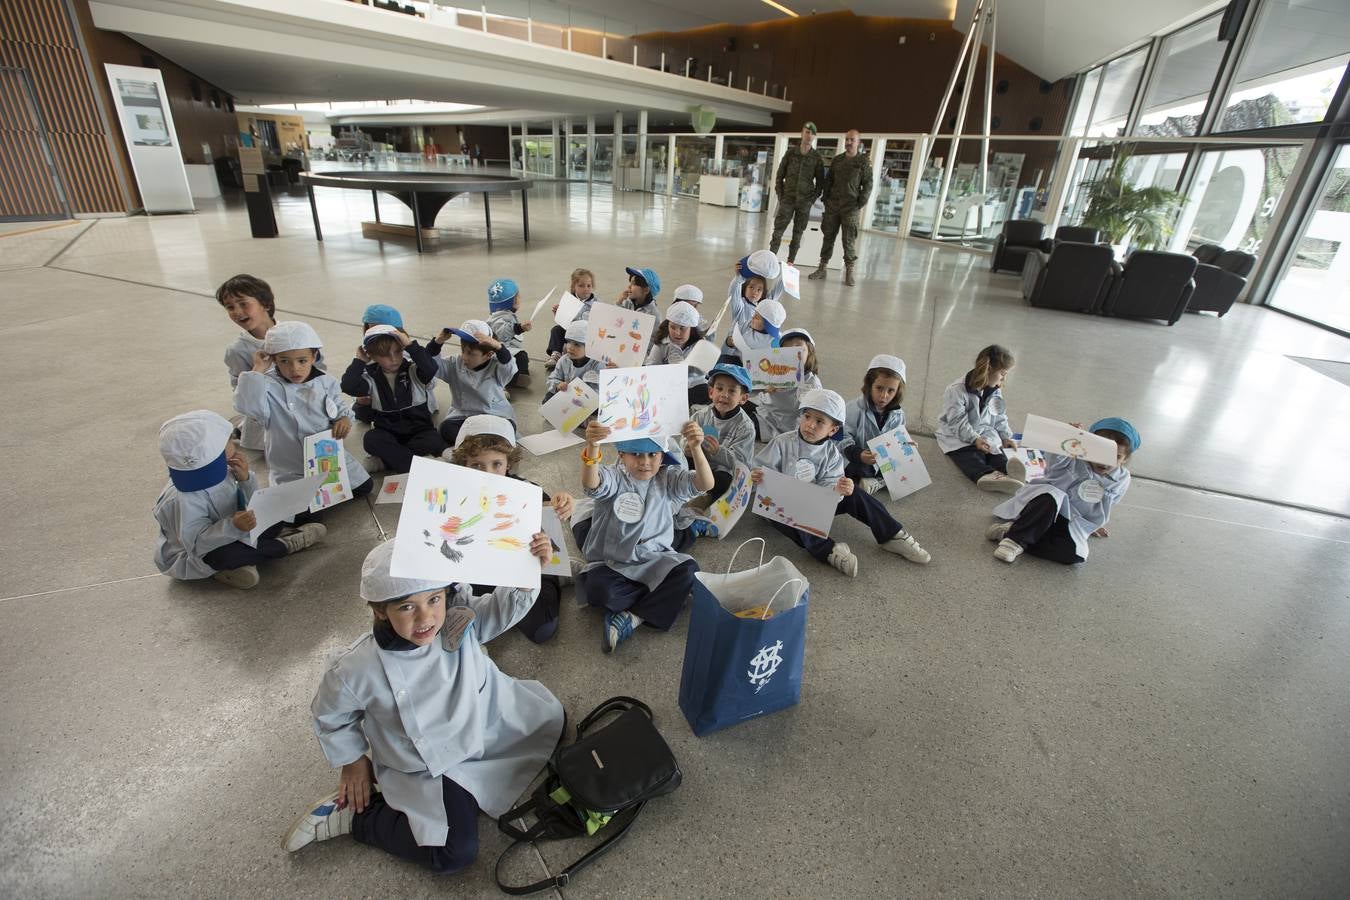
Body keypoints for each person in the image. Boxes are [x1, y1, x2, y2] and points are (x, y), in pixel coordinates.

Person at [283, 539, 564, 872]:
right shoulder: (355, 668)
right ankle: (361, 819)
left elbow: (502, 610)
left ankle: (469, 793)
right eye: (406, 607)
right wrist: (353, 761)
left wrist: (527, 568)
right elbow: (330, 715)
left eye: (434, 598)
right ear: (379, 610)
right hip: (431, 764)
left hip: (486, 726)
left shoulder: (457, 618)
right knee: (454, 852)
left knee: (554, 724)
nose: (426, 617)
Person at [752, 389, 930, 577]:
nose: (810, 425)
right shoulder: (782, 443)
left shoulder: (832, 454)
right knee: (794, 516)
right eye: (807, 416)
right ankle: (829, 551)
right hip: (781, 504)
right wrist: (757, 476)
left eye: (820, 421)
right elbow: (760, 469)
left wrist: (839, 489)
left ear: (833, 429)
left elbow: (831, 485)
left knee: (856, 493)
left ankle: (892, 534)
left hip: (816, 502)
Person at [576, 419, 713, 653]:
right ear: (621, 455)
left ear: (662, 457)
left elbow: (705, 483)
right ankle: (664, 596)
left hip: (654, 559)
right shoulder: (615, 476)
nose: (645, 462)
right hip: (614, 562)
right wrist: (593, 446)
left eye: (653, 455)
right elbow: (592, 484)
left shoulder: (667, 477)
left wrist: (696, 447)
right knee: (599, 591)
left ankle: (633, 617)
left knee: (689, 570)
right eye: (636, 454)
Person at [153, 410, 326, 590]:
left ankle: (242, 563)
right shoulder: (180, 500)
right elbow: (196, 545)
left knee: (291, 512)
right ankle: (284, 544)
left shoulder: (220, 468)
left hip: (236, 529)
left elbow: (251, 504)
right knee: (226, 557)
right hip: (201, 552)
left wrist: (246, 481)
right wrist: (233, 527)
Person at [449, 416, 573, 643]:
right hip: (479, 568)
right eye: (477, 465)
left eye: (496, 464)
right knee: (458, 619)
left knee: (542, 629)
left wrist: (562, 503)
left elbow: (551, 512)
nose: (488, 473)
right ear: (464, 465)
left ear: (509, 462)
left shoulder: (526, 490)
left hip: (522, 566)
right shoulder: (451, 495)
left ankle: (558, 575)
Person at [234, 321, 372, 496]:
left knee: (364, 487)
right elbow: (246, 406)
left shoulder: (325, 381)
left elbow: (339, 407)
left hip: (326, 458)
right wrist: (257, 370)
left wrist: (344, 419)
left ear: (314, 356)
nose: (294, 369)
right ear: (274, 359)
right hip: (289, 466)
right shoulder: (266, 385)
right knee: (305, 512)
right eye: (284, 361)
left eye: (302, 361)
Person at [987, 418, 1139, 565]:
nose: (1105, 462)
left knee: (1074, 555)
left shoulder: (1122, 479)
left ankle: (1011, 532)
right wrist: (1066, 438)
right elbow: (1054, 463)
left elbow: (1106, 504)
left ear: (1125, 459)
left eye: (1116, 456)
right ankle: (1014, 541)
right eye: (1102, 452)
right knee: (1052, 495)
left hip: (1071, 520)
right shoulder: (1074, 458)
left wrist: (1092, 524)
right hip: (1042, 508)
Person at [342, 324, 445, 475]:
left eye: (398, 351)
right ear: (372, 355)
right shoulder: (371, 377)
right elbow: (348, 386)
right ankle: (419, 467)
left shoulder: (413, 370)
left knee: (433, 440)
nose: (393, 359)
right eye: (385, 355)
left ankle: (386, 462)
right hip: (388, 433)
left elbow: (431, 368)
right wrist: (359, 361)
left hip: (419, 431)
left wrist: (410, 345)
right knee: (371, 439)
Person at [934, 344, 1026, 493]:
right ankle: (985, 475)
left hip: (984, 432)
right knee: (969, 455)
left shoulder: (995, 390)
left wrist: (1005, 436)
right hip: (957, 434)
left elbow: (999, 415)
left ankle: (1010, 470)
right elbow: (957, 422)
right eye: (1002, 373)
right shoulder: (956, 390)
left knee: (995, 451)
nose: (1004, 378)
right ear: (989, 369)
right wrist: (974, 439)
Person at [684, 364, 755, 536]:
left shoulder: (746, 427)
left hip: (723, 471)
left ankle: (706, 498)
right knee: (678, 461)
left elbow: (741, 462)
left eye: (732, 391)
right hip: (700, 464)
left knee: (725, 481)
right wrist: (687, 447)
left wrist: (718, 451)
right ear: (710, 392)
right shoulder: (700, 416)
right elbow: (684, 441)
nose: (724, 395)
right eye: (719, 388)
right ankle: (686, 494)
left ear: (743, 398)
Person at [428, 320, 517, 447]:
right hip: (464, 416)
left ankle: (472, 446)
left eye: (471, 353)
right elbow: (431, 365)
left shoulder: (497, 366)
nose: (464, 356)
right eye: (463, 350)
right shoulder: (455, 364)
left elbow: (509, 367)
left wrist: (499, 347)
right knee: (446, 429)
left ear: (489, 354)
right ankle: (484, 446)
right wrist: (437, 342)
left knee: (508, 428)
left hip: (494, 415)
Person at [217, 274, 278, 451]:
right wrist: (257, 372)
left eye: (243, 304)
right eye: (230, 307)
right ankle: (239, 430)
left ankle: (238, 428)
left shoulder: (295, 333)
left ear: (265, 304)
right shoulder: (237, 350)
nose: (237, 311)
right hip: (267, 413)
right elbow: (242, 395)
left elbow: (319, 369)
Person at [808, 129, 873, 287]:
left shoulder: (863, 162)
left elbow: (868, 185)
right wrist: (826, 198)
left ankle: (849, 271)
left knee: (848, 240)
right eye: (847, 139)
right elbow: (828, 180)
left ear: (858, 142)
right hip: (833, 206)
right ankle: (822, 268)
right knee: (828, 237)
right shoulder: (837, 160)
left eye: (852, 140)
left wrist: (860, 203)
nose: (849, 142)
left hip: (850, 208)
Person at [841, 354, 908, 495]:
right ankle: (876, 481)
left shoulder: (898, 414)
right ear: (869, 385)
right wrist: (859, 454)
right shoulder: (854, 408)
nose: (884, 396)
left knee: (910, 465)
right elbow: (842, 436)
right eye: (879, 388)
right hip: (858, 458)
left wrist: (906, 445)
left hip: (882, 459)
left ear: (897, 392)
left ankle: (876, 482)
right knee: (852, 470)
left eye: (891, 391)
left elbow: (897, 438)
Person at [769, 123, 825, 265]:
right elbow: (779, 176)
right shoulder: (790, 153)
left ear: (814, 136)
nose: (809, 135)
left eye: (812, 133)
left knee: (798, 233)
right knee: (778, 231)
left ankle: (790, 261)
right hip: (787, 199)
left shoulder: (816, 158)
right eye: (806, 132)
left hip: (804, 202)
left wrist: (810, 201)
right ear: (802, 133)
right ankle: (770, 259)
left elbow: (820, 183)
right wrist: (781, 196)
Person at [755, 327, 823, 441]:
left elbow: (809, 416)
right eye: (787, 349)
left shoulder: (811, 384)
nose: (794, 353)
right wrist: (763, 387)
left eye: (799, 348)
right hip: (762, 411)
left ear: (810, 352)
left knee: (735, 420)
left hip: (777, 426)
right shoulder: (776, 370)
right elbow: (752, 388)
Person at [644, 301, 707, 406]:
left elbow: (702, 374)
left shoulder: (699, 344)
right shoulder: (661, 344)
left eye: (682, 329)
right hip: (668, 386)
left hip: (694, 388)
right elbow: (650, 369)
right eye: (673, 327)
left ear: (691, 328)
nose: (677, 333)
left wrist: (686, 368)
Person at [485, 278, 532, 389]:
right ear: (511, 302)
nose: (520, 299)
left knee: (521, 357)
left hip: (508, 347)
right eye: (518, 297)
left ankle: (517, 375)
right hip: (500, 351)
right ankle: (507, 382)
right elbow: (502, 332)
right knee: (521, 357)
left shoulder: (505, 314)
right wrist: (519, 328)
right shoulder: (497, 318)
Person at [545, 268, 597, 370]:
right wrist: (558, 314)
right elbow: (563, 321)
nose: (586, 289)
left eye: (589, 286)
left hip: (585, 334)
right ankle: (556, 354)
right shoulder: (569, 301)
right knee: (556, 330)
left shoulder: (596, 303)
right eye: (581, 286)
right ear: (574, 287)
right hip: (570, 331)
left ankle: (573, 351)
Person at [543, 320, 602, 402]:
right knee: (548, 397)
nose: (570, 347)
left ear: (589, 347)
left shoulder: (596, 365)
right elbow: (552, 378)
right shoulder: (564, 360)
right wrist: (558, 385)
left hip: (586, 399)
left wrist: (583, 394)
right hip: (567, 395)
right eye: (568, 342)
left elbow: (598, 389)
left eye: (577, 344)